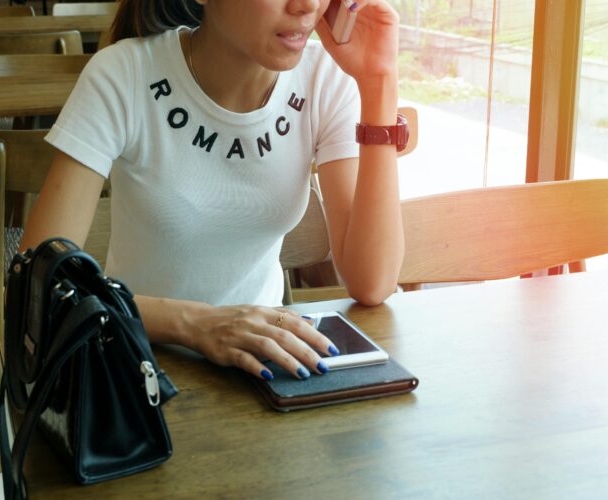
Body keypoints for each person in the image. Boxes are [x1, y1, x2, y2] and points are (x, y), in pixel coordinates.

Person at [21, 0, 405, 382]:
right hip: (134, 366)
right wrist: (197, 325)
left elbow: (371, 282)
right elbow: (38, 285)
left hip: (267, 366)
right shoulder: (123, 73)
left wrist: (379, 81)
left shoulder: (325, 80)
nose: (307, 5)